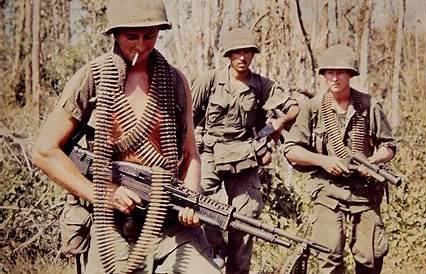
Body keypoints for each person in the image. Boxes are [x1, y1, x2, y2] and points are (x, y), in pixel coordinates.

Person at [32, 0, 221, 273]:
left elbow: (191, 155)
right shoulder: (93, 78)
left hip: (167, 218)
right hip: (113, 221)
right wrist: (102, 194)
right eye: (131, 36)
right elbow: (44, 151)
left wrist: (190, 198)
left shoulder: (175, 81)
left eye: (150, 35)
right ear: (115, 33)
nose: (141, 45)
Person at [191, 27, 300, 274]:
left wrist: (277, 124)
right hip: (209, 153)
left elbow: (293, 106)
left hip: (245, 156)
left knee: (246, 220)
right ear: (228, 54)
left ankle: (238, 270)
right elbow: (187, 116)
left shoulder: (261, 85)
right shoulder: (209, 80)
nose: (243, 57)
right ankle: (215, 253)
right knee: (202, 205)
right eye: (237, 52)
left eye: (248, 52)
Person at [284, 44, 397, 274]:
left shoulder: (368, 105)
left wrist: (372, 162)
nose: (334, 77)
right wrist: (322, 161)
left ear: (351, 74)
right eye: (330, 72)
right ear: (324, 75)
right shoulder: (314, 107)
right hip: (328, 190)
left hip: (364, 191)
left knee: (370, 259)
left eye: (340, 72)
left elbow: (389, 146)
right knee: (329, 256)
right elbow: (291, 149)